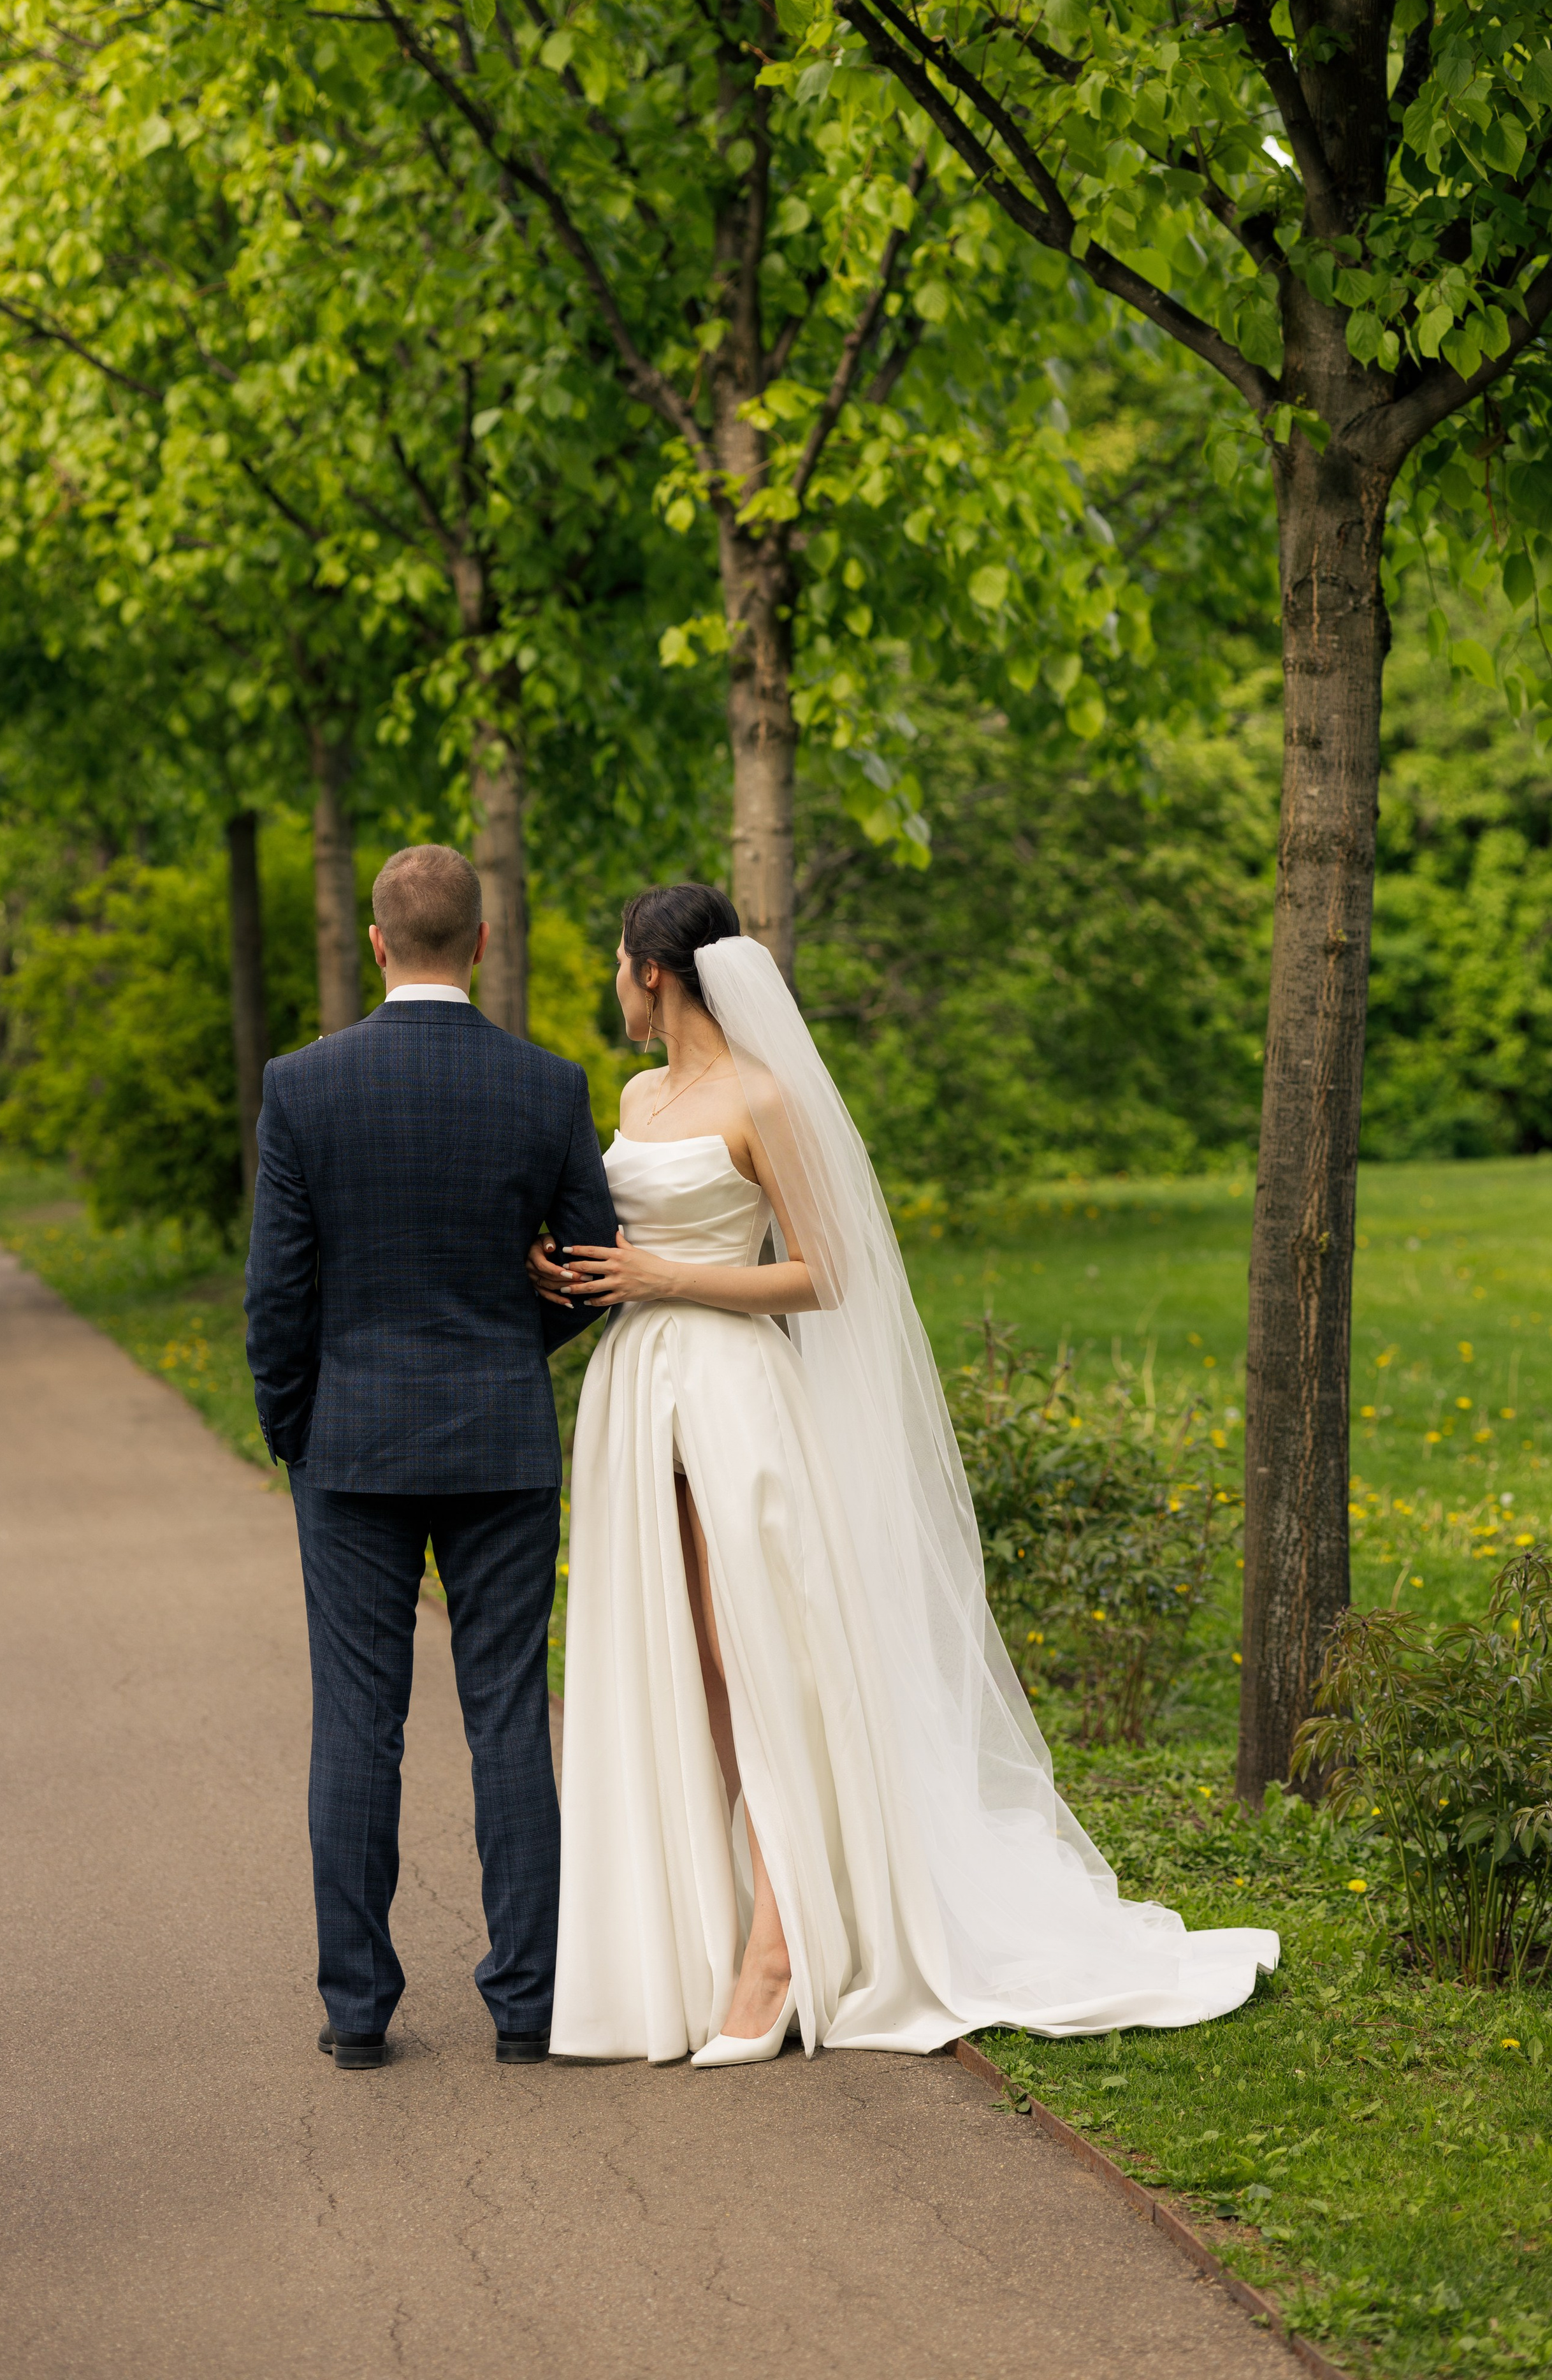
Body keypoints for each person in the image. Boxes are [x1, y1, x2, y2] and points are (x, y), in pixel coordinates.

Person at [530, 883, 1278, 2067]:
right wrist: (576, 1270)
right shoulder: (632, 1095)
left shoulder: (762, 1097)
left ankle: (782, 1949)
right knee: (689, 1661)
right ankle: (722, 1918)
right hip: (637, 1392)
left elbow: (825, 1273)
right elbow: (623, 1245)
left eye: (618, 963)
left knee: (754, 1653)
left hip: (732, 1391)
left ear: (654, 972)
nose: (612, 984)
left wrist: (671, 1277)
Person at [245, 845, 614, 2071]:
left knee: (357, 1722)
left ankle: (358, 2012)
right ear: (484, 942)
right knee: (509, 1712)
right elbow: (593, 1267)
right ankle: (527, 2005)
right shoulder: (547, 1086)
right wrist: (521, 1341)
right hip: (502, 1439)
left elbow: (278, 1293)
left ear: (375, 942)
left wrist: (292, 1428)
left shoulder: (304, 1086)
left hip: (349, 1447)